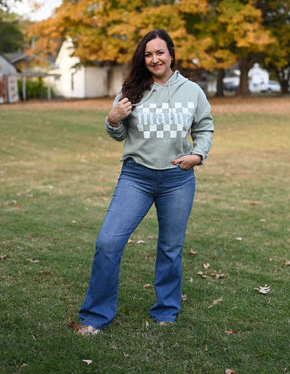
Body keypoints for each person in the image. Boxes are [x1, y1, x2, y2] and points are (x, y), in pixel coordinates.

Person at [77, 28, 214, 335]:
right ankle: (95, 316)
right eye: (148, 54)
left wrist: (198, 155)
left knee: (170, 247)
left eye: (160, 52)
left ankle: (166, 310)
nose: (154, 59)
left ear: (171, 54)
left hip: (177, 179)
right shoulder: (131, 88)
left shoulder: (192, 91)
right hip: (136, 176)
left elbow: (205, 128)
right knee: (108, 241)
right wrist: (112, 119)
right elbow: (118, 132)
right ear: (143, 58)